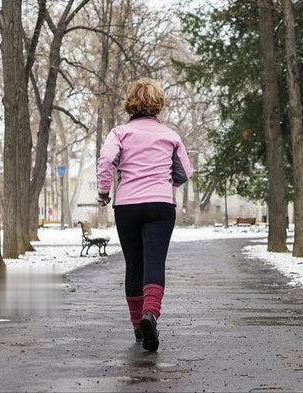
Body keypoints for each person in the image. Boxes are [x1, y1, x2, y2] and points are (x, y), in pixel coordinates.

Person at [96, 78, 193, 352]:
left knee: (134, 265)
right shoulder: (171, 136)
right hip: (160, 206)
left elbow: (105, 161)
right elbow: (184, 173)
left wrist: (104, 192)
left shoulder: (119, 133)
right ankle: (151, 314)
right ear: (158, 105)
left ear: (131, 104)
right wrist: (165, 183)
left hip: (127, 206)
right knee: (154, 263)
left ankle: (139, 325)